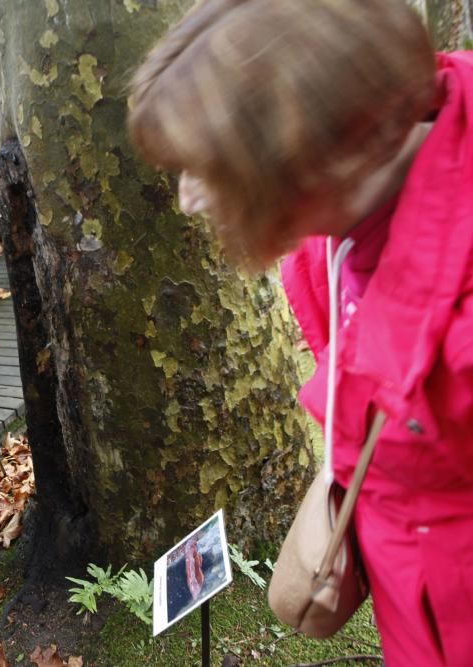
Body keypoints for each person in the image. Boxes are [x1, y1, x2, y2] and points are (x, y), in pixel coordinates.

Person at [128, 1, 473, 664]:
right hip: (413, 603)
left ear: (320, 148)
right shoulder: (342, 224)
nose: (188, 199)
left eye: (212, 169)